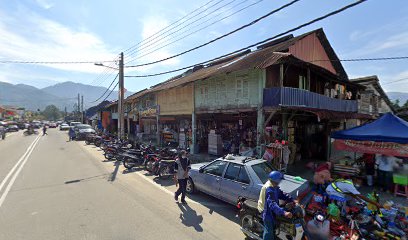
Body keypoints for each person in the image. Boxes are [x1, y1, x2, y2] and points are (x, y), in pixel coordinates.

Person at [258, 171, 294, 240]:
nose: (280, 182)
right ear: (276, 180)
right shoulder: (269, 189)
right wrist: (284, 212)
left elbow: (281, 194)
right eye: (280, 180)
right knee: (269, 231)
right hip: (265, 210)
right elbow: (272, 204)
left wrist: (292, 199)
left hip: (269, 207)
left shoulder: (274, 185)